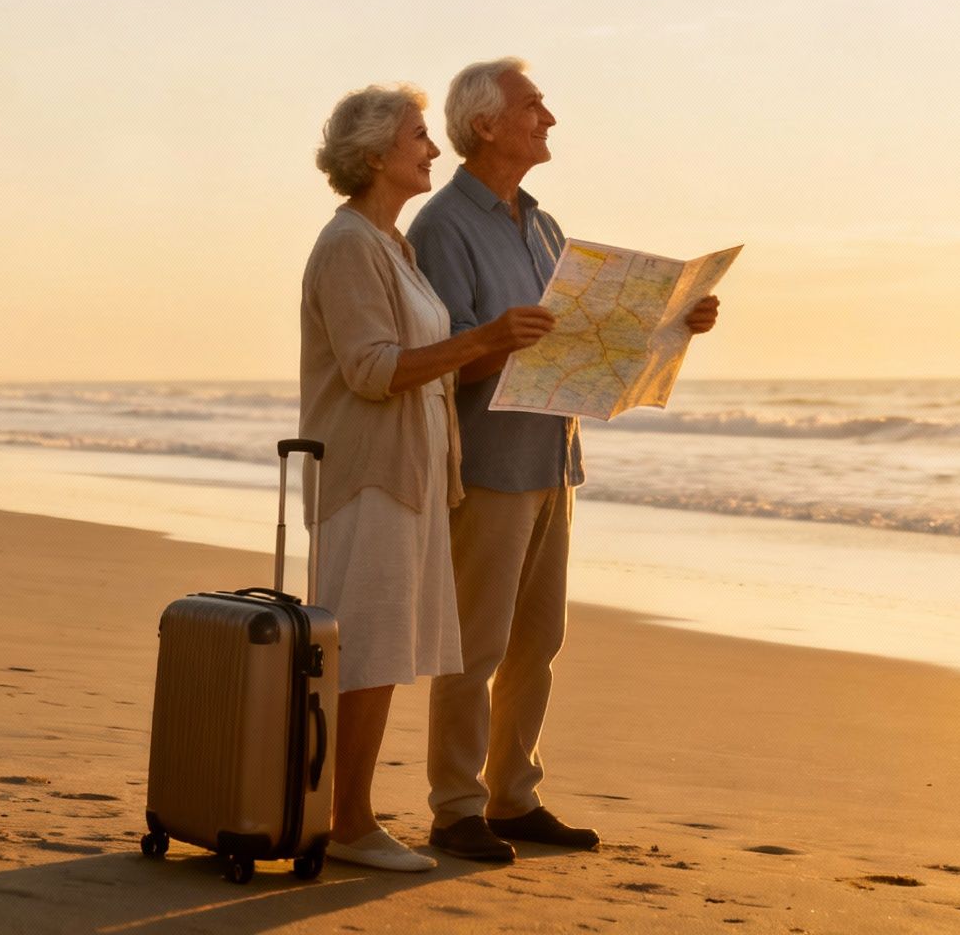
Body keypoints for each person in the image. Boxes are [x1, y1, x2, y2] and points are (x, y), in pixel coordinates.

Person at [408, 58, 720, 863]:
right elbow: (442, 357)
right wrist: (496, 340)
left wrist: (678, 321)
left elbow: (582, 343)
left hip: (554, 456)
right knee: (475, 645)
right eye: (533, 105)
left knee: (537, 642)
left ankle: (514, 796)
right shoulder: (443, 226)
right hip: (486, 462)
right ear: (485, 125)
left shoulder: (544, 226)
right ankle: (455, 807)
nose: (548, 118)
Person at [299, 83, 556, 872]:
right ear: (376, 155)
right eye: (418, 137)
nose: (432, 149)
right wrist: (486, 339)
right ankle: (349, 823)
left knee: (378, 653)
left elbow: (426, 366)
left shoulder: (393, 245)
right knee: (366, 652)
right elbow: (373, 370)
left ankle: (352, 818)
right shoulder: (348, 245)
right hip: (366, 474)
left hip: (412, 473)